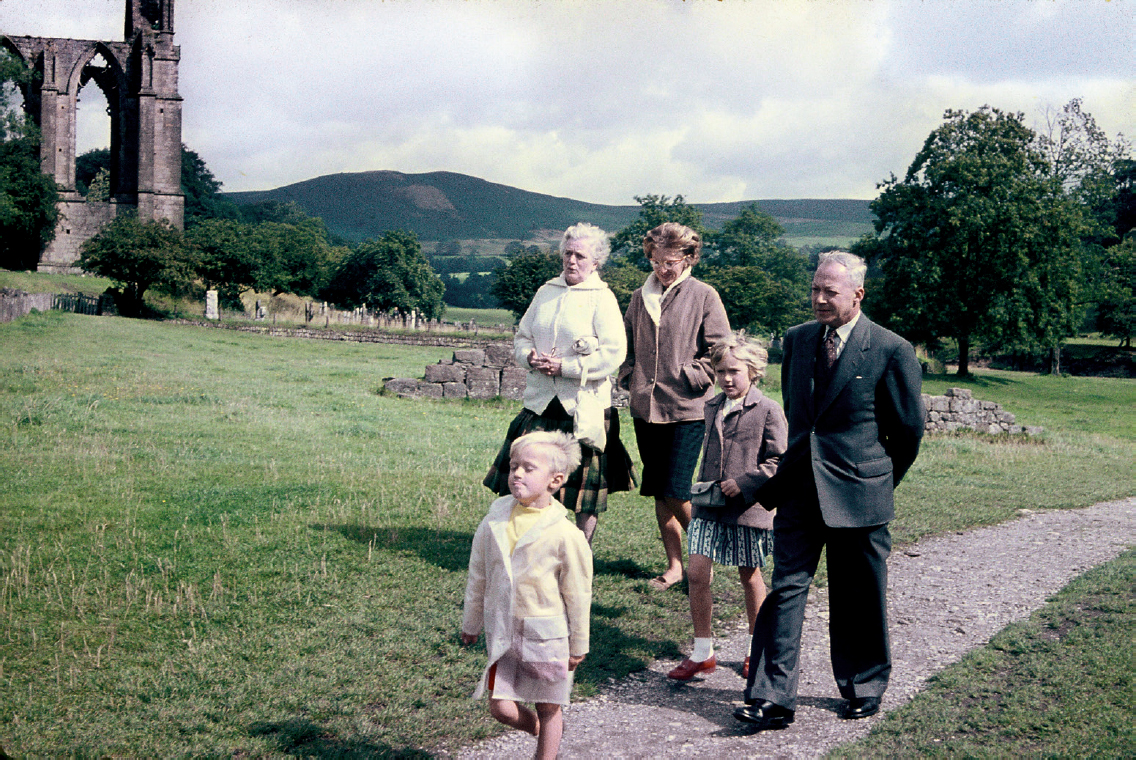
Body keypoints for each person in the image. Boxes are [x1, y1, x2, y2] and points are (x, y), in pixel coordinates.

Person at [734, 251, 925, 730]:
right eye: (815, 289)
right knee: (786, 589)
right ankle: (771, 697)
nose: (818, 299)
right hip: (800, 489)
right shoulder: (797, 342)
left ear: (857, 294)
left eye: (830, 292)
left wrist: (876, 480)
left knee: (858, 593)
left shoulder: (890, 348)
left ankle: (863, 685)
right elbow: (804, 421)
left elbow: (907, 433)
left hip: (861, 492)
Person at [483, 222, 635, 544]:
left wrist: (566, 366)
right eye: (567, 253)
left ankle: (580, 551)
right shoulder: (546, 292)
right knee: (527, 473)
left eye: (580, 255)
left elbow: (614, 354)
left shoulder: (602, 298)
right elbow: (522, 337)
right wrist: (530, 358)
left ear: (596, 262)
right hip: (540, 402)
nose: (572, 261)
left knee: (583, 489)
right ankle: (526, 541)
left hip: (584, 408)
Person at [461, 431, 593, 760]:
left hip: (546, 637)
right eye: (514, 466)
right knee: (501, 707)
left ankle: (546, 750)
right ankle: (539, 732)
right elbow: (478, 575)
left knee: (549, 706)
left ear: (556, 480)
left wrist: (579, 644)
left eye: (528, 468)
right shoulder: (494, 520)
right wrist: (471, 622)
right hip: (504, 633)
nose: (517, 473)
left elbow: (578, 593)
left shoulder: (565, 534)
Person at [667, 332, 787, 681]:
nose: (727, 379)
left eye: (735, 371)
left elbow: (781, 459)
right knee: (697, 574)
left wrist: (746, 482)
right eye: (721, 371)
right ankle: (702, 651)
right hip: (709, 507)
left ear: (753, 371)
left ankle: (756, 647)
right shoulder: (711, 406)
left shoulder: (767, 409)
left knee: (749, 576)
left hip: (748, 510)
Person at [618, 222, 730, 590]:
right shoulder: (639, 297)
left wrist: (690, 374)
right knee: (657, 488)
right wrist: (629, 376)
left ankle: (707, 553)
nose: (663, 269)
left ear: (688, 258)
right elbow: (625, 345)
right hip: (645, 409)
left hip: (686, 409)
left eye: (671, 261)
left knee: (676, 487)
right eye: (656, 261)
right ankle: (675, 567)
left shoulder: (704, 295)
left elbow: (720, 350)